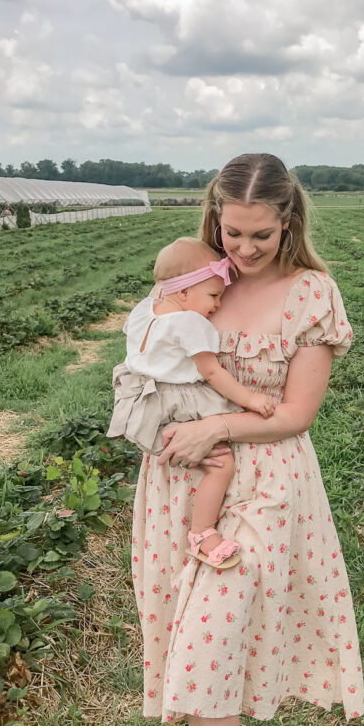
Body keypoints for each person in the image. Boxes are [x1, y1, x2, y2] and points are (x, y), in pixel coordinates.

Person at [130, 153, 364, 726]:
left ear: (288, 220)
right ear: (214, 219)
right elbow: (147, 355)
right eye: (231, 232)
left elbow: (295, 413)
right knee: (199, 630)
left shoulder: (312, 294)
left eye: (260, 234)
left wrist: (216, 425)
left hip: (267, 476)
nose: (244, 248)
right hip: (185, 478)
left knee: (214, 623)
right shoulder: (194, 280)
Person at [107, 236, 276, 568]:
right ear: (183, 292)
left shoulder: (144, 310)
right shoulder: (190, 322)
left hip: (144, 398)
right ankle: (202, 532)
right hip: (179, 401)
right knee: (221, 463)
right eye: (213, 295)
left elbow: (161, 290)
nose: (216, 305)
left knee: (187, 459)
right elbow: (212, 372)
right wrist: (251, 399)